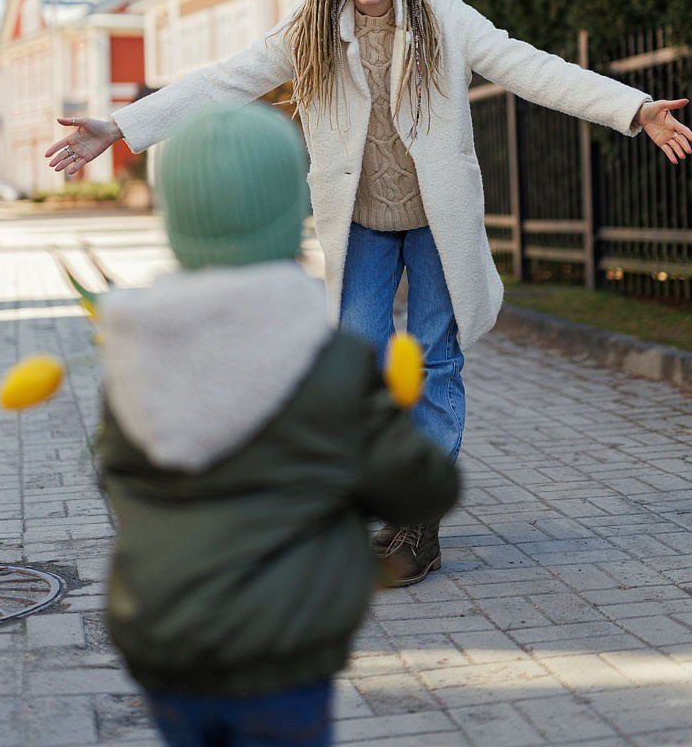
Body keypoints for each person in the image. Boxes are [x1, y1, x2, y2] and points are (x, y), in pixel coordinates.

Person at [48, 0, 692, 583]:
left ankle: (417, 520)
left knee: (434, 361)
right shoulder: (312, 29)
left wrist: (635, 109)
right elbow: (225, 80)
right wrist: (120, 127)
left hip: (435, 220)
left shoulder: (444, 15)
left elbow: (528, 66)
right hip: (361, 219)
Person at [98, 101, 459, 747]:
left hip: (163, 645)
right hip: (281, 648)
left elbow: (115, 474)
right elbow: (422, 488)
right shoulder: (326, 364)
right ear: (294, 215)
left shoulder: (135, 356)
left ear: (174, 221)